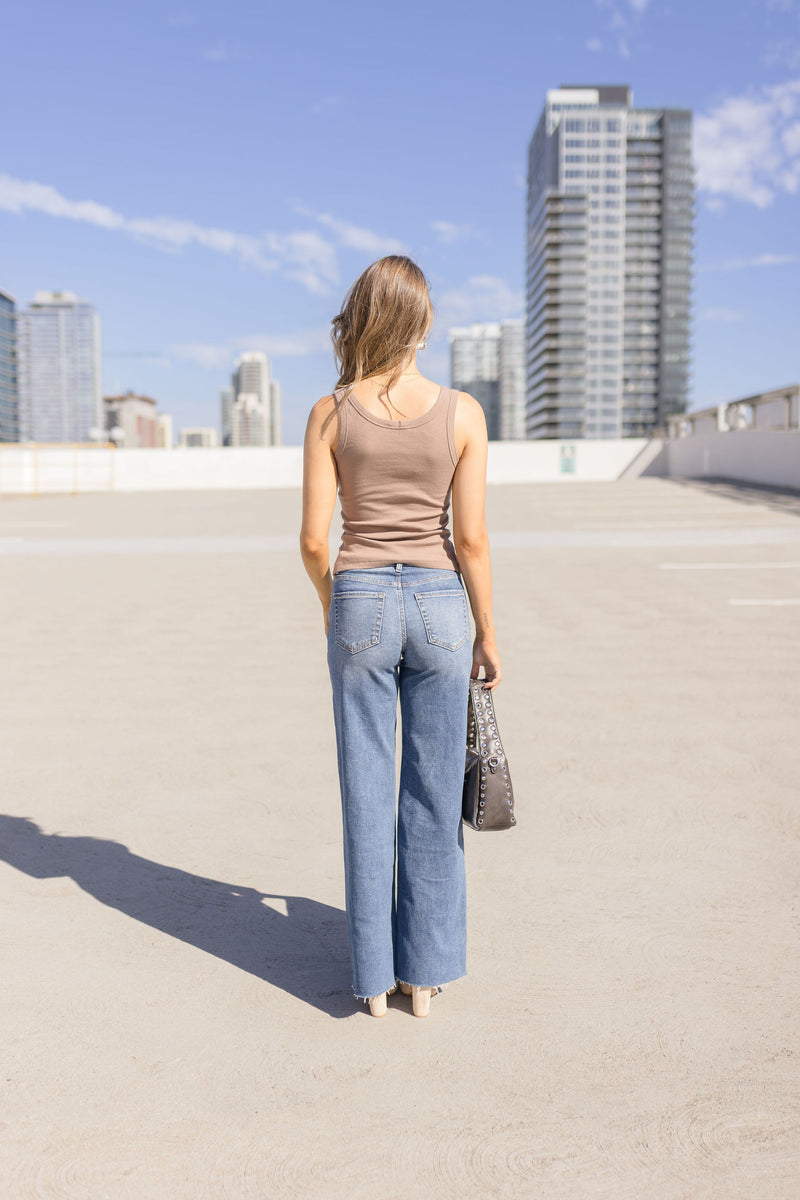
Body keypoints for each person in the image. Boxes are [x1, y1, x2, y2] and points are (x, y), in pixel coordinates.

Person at [300, 255, 501, 1019]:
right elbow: (472, 540)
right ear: (421, 325)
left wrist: (333, 602)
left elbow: (315, 541)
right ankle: (426, 976)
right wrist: (488, 632)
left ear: (361, 318)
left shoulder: (329, 412)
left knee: (365, 788)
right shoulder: (463, 413)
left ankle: (373, 982)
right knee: (432, 787)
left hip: (359, 598)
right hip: (441, 605)